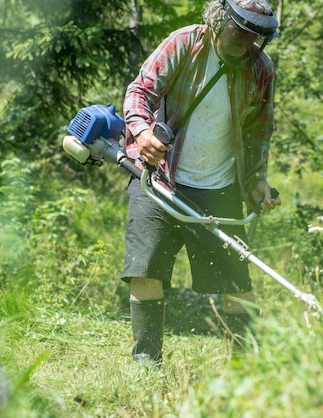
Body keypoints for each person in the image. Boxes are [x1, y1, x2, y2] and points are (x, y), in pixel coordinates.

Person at [121, 0, 281, 363]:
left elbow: (260, 132)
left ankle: (245, 366)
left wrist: (257, 181)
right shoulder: (183, 44)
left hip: (220, 187)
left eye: (255, 36)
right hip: (160, 178)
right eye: (239, 32)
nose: (247, 42)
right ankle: (147, 363)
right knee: (146, 268)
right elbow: (140, 91)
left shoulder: (261, 68)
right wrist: (142, 132)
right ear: (217, 21)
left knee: (236, 283)